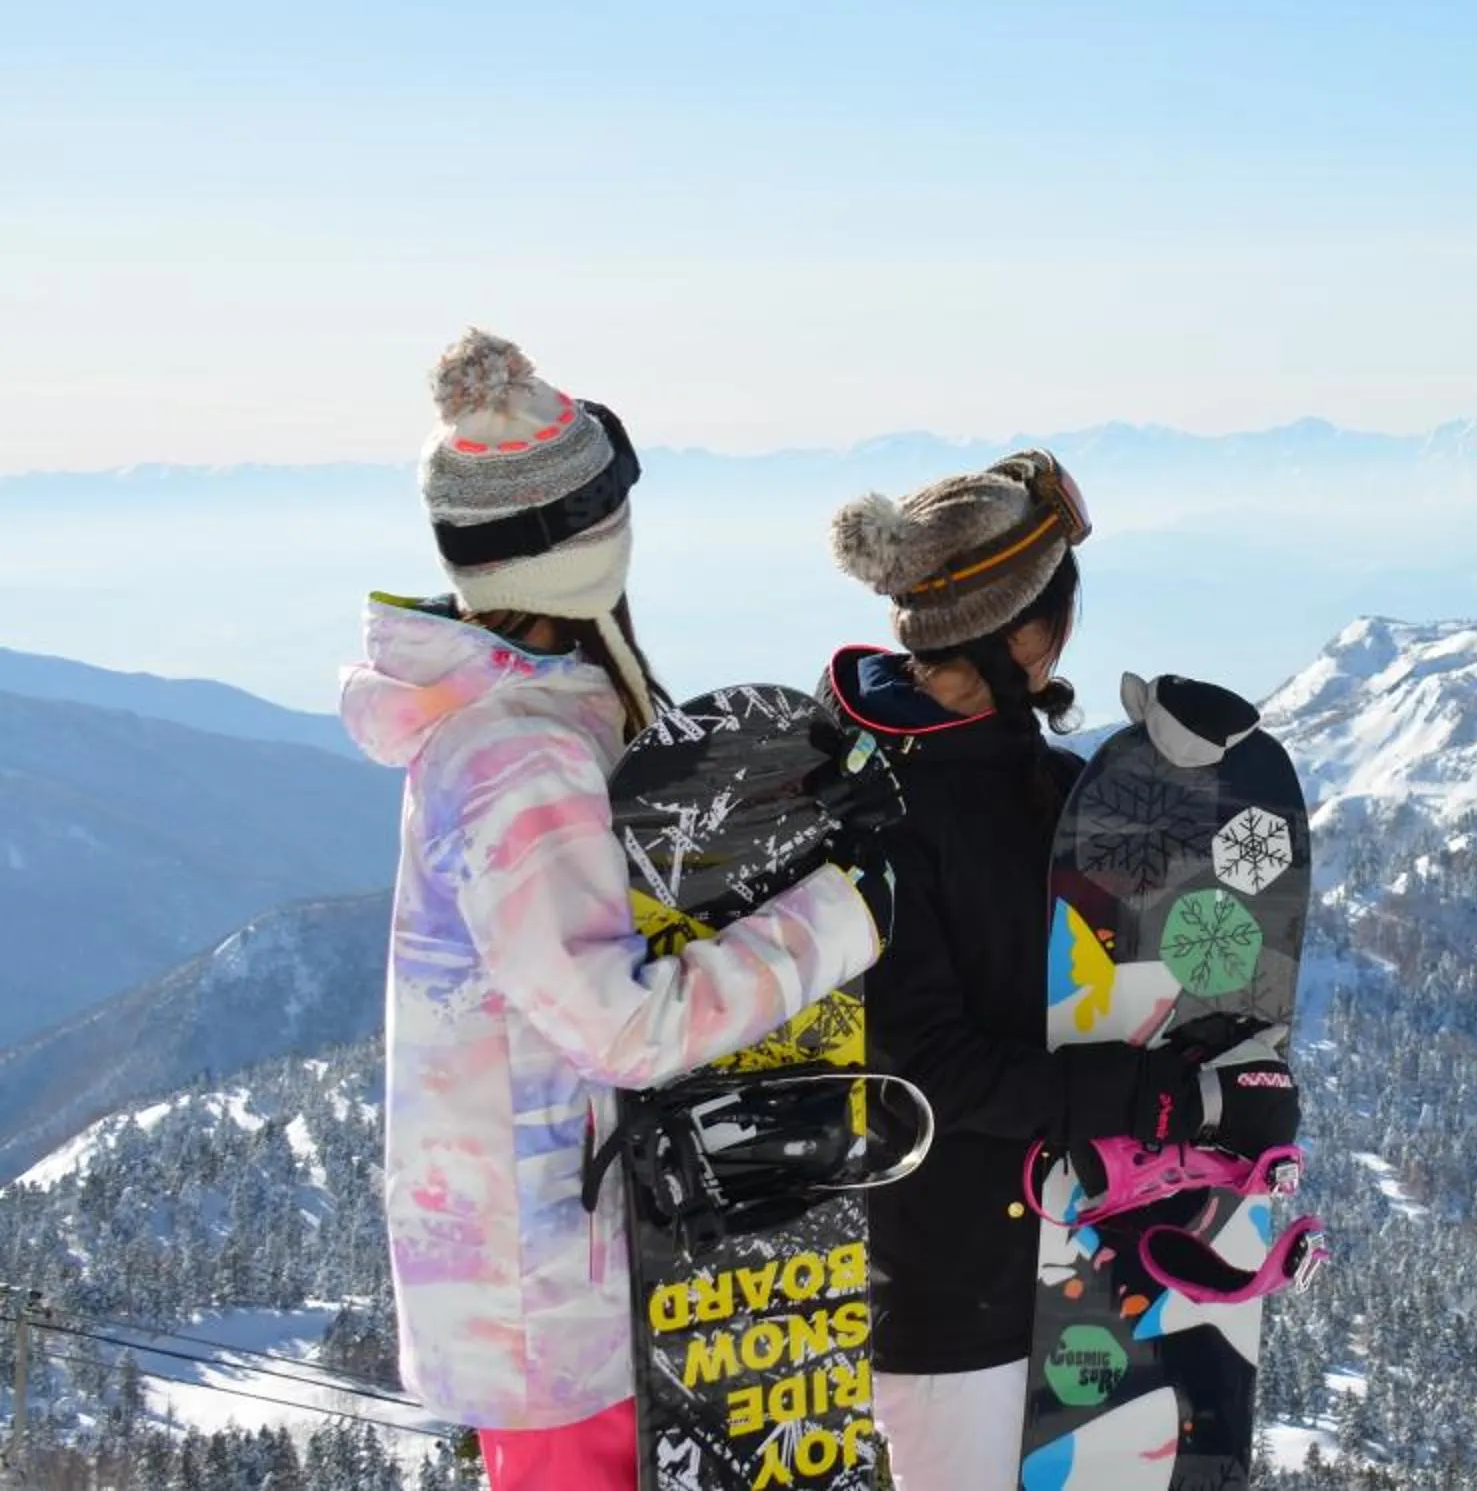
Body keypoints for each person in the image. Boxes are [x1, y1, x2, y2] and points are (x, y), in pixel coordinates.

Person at [341, 330, 892, 1491]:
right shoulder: (519, 757)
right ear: (592, 547)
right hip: (552, 1291)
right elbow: (621, 1025)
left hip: (552, 1255)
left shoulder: (530, 717)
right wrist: (842, 917)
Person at [820, 452, 1300, 1487]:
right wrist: (1177, 1100)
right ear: (1029, 633)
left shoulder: (1053, 796)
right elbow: (931, 1066)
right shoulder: (886, 816)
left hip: (1059, 1265)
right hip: (962, 1307)